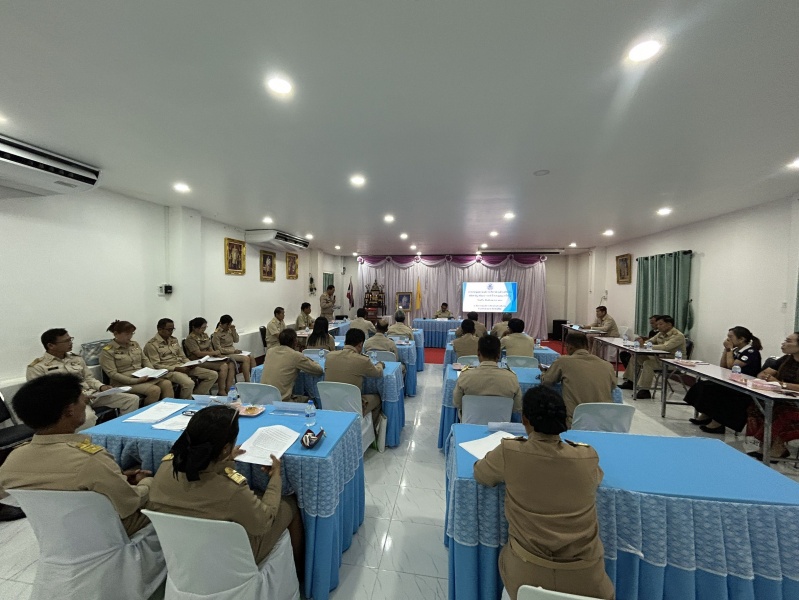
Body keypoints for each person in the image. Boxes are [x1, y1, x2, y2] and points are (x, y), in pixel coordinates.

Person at [473, 386, 614, 600]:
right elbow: (595, 479)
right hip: (587, 580)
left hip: (525, 574)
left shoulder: (510, 452)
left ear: (525, 420)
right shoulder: (586, 456)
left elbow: (481, 474)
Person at [146, 405, 304, 572]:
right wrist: (275, 478)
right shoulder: (231, 490)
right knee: (288, 504)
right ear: (225, 449)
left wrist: (222, 460)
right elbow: (264, 523)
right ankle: (300, 572)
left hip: (182, 548)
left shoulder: (166, 467)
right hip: (231, 558)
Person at [0, 374, 152, 535]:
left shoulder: (12, 460)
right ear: (70, 410)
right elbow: (129, 504)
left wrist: (116, 478)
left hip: (56, 532)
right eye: (82, 399)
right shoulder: (91, 459)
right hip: (107, 531)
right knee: (158, 489)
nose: (85, 401)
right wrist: (147, 483)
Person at [27, 328, 139, 430]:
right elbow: (42, 395)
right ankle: (84, 442)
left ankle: (123, 431)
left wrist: (101, 387)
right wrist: (76, 398)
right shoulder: (38, 367)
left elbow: (89, 378)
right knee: (88, 418)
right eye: (66, 341)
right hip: (70, 403)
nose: (70, 343)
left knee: (131, 400)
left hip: (91, 395)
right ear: (51, 345)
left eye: (70, 339)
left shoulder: (76, 359)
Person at [684, 326, 762, 434]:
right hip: (731, 382)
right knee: (703, 386)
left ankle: (718, 423)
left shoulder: (751, 352)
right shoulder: (736, 350)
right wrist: (726, 350)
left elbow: (732, 366)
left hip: (743, 387)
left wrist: (729, 349)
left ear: (741, 339)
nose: (728, 340)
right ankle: (707, 414)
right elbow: (723, 366)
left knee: (720, 393)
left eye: (731, 337)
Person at [541, 332, 617, 424]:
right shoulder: (607, 365)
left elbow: (547, 381)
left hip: (577, 422)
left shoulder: (563, 361)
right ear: (587, 347)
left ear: (569, 347)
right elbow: (613, 387)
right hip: (605, 422)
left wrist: (543, 373)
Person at [745, 332, 799, 461]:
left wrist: (781, 384)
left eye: (789, 341)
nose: (783, 343)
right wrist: (766, 377)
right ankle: (765, 445)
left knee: (781, 412)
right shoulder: (786, 359)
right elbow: (763, 374)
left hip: (795, 404)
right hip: (785, 399)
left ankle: (776, 446)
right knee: (757, 405)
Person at [100, 320, 173, 405]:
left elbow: (144, 360)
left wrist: (153, 372)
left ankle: (169, 408)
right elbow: (112, 374)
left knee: (167, 383)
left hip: (142, 377)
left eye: (132, 333)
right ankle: (147, 412)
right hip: (123, 383)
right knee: (154, 390)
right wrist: (134, 380)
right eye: (127, 334)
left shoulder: (134, 345)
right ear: (116, 334)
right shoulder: (108, 351)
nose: (130, 336)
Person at [143, 319, 217, 399]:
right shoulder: (151, 345)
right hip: (169, 370)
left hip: (182, 366)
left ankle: (195, 397)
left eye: (172, 329)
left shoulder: (173, 340)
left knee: (212, 375)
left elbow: (182, 356)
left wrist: (190, 364)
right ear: (160, 329)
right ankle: (185, 402)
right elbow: (156, 365)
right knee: (189, 383)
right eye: (169, 329)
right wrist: (176, 368)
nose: (171, 332)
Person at [325, 328, 384, 426]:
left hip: (330, 404)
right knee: (378, 399)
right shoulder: (362, 360)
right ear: (360, 344)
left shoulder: (329, 356)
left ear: (345, 341)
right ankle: (369, 431)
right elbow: (378, 373)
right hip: (352, 406)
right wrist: (380, 364)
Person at [453, 335, 522, 417]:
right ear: (499, 355)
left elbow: (457, 403)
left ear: (478, 353)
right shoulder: (512, 378)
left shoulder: (465, 376)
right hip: (501, 422)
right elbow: (517, 407)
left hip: (470, 421)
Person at [620, 315, 686, 399]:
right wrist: (642, 342)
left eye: (660, 324)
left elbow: (665, 347)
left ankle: (645, 390)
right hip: (660, 359)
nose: (658, 326)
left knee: (648, 364)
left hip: (674, 362)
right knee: (636, 357)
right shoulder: (660, 333)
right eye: (657, 324)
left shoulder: (678, 335)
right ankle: (631, 382)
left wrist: (644, 346)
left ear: (669, 324)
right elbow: (650, 341)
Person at [262, 329, 324, 402]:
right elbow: (319, 371)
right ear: (295, 341)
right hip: (282, 401)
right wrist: (313, 361)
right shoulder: (295, 356)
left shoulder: (270, 352)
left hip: (264, 399)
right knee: (312, 401)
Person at [185, 317, 235, 396]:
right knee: (224, 366)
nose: (204, 329)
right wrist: (212, 353)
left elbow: (209, 347)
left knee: (231, 363)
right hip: (199, 360)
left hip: (209, 358)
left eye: (205, 327)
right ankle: (221, 390)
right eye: (202, 328)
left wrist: (216, 355)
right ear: (195, 328)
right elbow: (198, 353)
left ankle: (228, 389)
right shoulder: (190, 339)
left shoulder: (204, 335)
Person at [212, 314, 256, 382]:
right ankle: (247, 381)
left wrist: (233, 330)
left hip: (233, 351)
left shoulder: (230, 330)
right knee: (246, 359)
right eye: (228, 325)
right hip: (225, 354)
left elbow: (236, 340)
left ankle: (254, 379)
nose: (229, 326)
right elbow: (218, 349)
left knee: (251, 357)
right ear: (223, 324)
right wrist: (233, 351)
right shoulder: (216, 334)